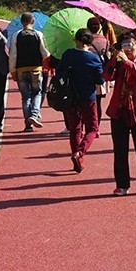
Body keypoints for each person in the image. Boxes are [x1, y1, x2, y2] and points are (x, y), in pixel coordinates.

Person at [104, 33, 136, 195]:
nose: (127, 49)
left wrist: (126, 62)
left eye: (130, 45)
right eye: (124, 45)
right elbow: (106, 76)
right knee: (120, 150)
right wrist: (113, 58)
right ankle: (122, 184)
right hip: (119, 111)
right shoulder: (118, 63)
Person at [56, 28, 105, 173]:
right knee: (92, 128)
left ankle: (76, 158)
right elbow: (100, 80)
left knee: (75, 129)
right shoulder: (94, 58)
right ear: (90, 42)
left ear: (75, 40)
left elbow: (59, 72)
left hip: (70, 96)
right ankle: (80, 153)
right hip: (88, 97)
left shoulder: (68, 55)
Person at [8, 12, 50, 132]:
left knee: (25, 97)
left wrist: (12, 71)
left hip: (21, 69)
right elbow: (45, 53)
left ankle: (28, 124)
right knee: (37, 92)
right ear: (33, 22)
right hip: (36, 69)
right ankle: (34, 114)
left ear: (22, 22)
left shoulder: (16, 35)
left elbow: (13, 55)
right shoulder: (38, 34)